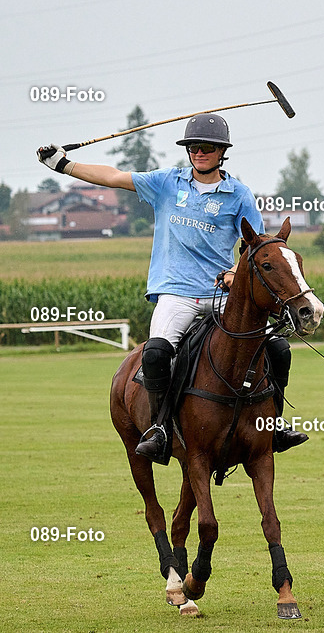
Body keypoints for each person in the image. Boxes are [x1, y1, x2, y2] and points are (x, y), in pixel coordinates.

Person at [36, 114, 306, 464]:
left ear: (221, 152)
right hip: (176, 294)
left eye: (207, 148)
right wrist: (63, 164)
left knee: (279, 348)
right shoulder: (167, 183)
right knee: (156, 354)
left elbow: (256, 247)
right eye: (193, 147)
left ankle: (274, 424)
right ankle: (161, 428)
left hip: (220, 297)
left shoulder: (238, 193)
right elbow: (114, 177)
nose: (199, 153)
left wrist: (234, 273)